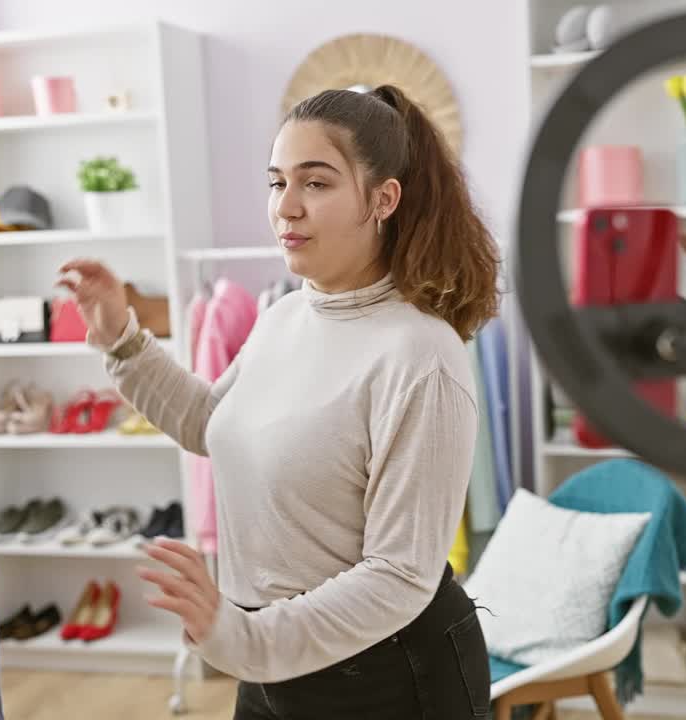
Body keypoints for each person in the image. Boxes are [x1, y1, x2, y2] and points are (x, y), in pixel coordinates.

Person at [55, 84, 500, 720]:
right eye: (276, 182)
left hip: (390, 672)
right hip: (270, 660)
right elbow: (215, 424)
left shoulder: (421, 356)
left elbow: (400, 575)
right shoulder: (285, 317)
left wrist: (243, 639)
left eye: (315, 184)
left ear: (384, 198)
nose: (286, 208)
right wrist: (122, 339)